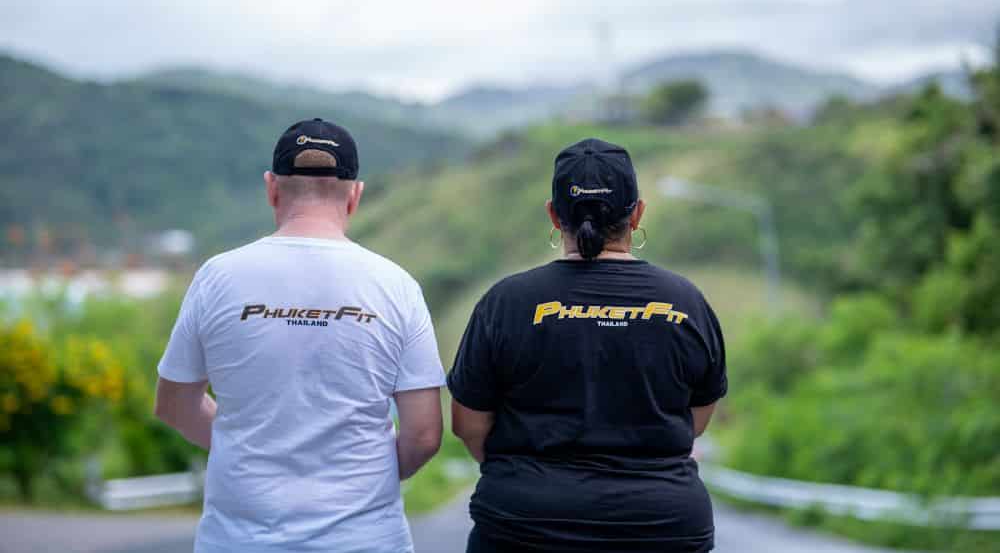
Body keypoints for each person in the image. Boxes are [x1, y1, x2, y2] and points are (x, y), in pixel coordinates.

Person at [154, 118, 446, 553]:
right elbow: (424, 434)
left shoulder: (218, 277)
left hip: (238, 541)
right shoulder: (396, 285)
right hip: (365, 540)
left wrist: (247, 445)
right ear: (355, 196)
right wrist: (368, 476)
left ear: (272, 188)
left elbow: (174, 404)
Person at [448, 138, 727, 553]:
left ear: (553, 213)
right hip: (662, 527)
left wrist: (526, 478)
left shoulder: (505, 302)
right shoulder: (687, 302)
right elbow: (696, 422)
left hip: (524, 525)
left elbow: (467, 425)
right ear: (637, 213)